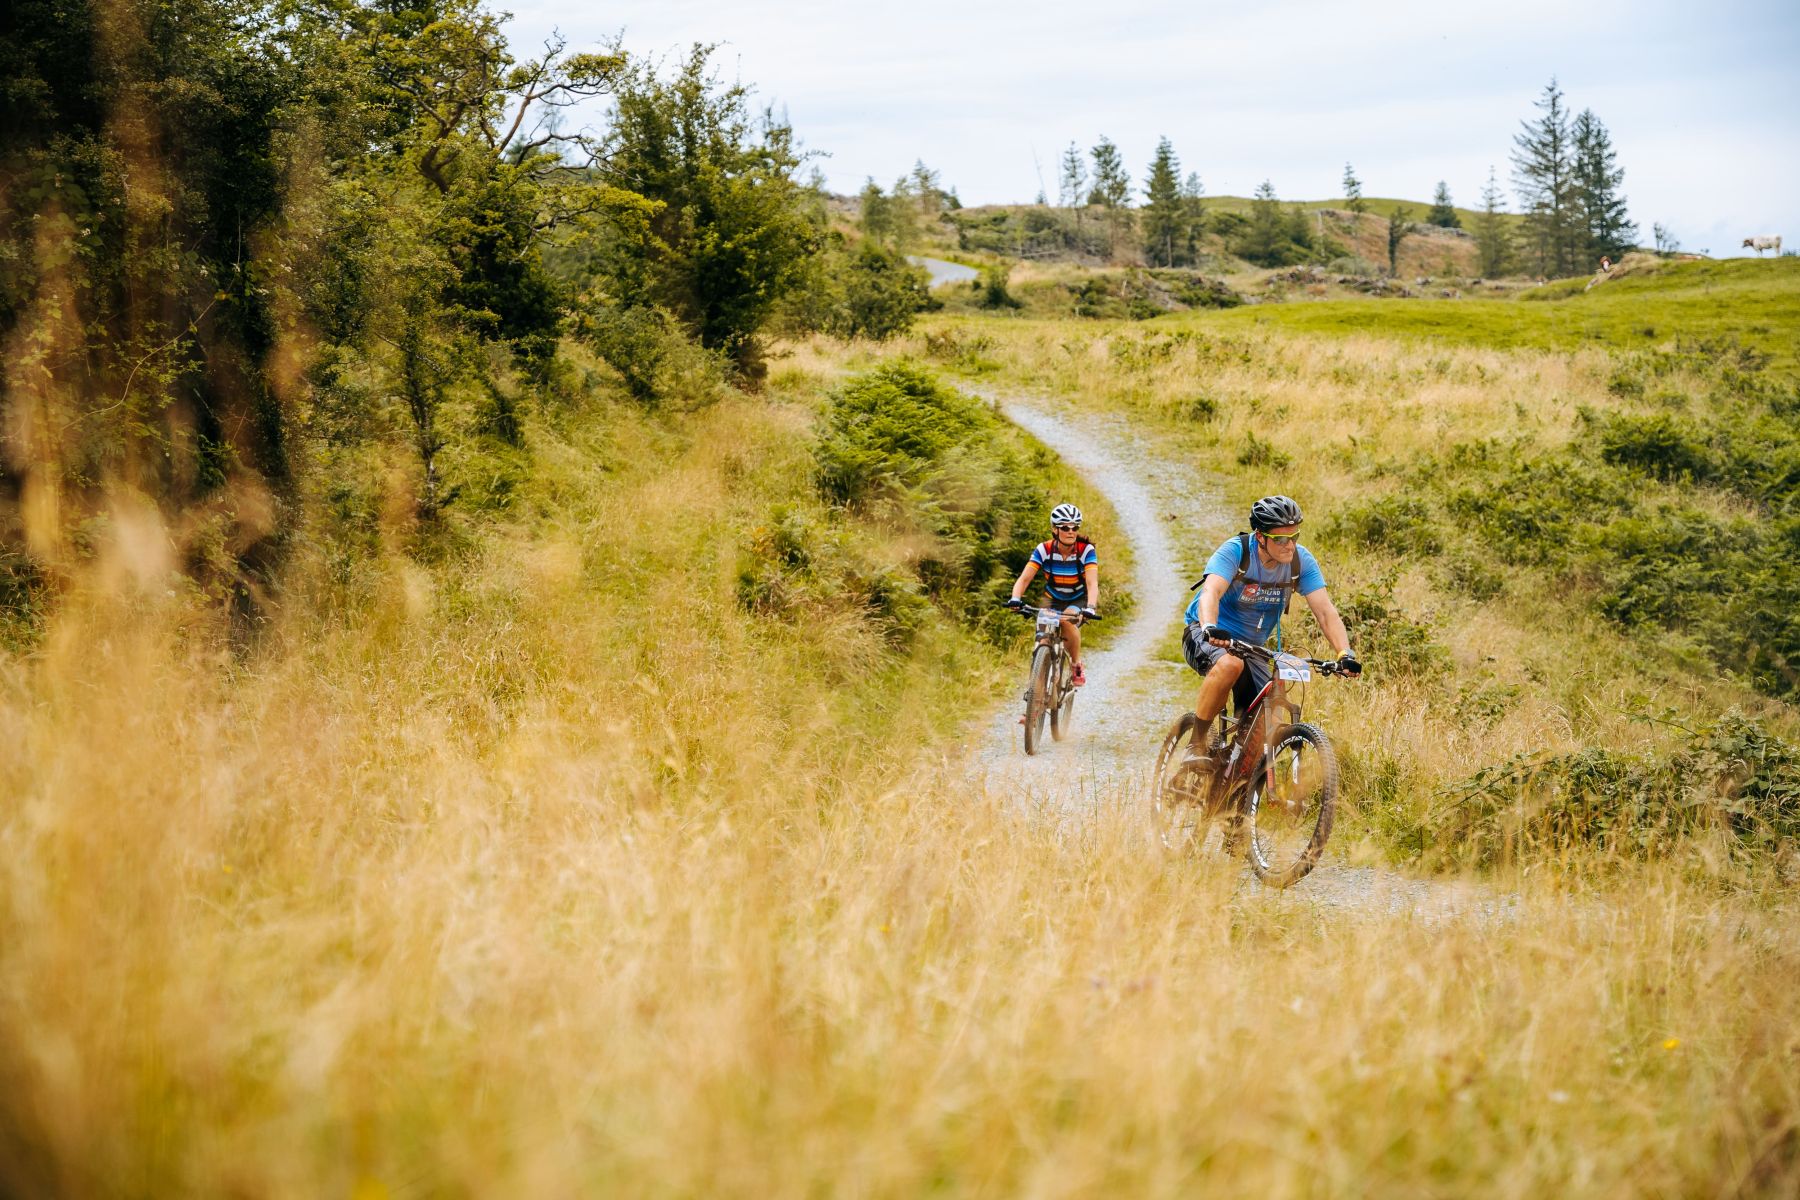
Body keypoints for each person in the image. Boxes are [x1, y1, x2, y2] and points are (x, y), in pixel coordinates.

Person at [1181, 495, 1359, 753]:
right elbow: (1211, 592)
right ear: (1261, 537)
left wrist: (1345, 653)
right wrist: (1210, 626)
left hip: (1251, 647)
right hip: (1205, 632)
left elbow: (1325, 612)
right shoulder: (1236, 551)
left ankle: (1235, 779)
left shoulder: (1301, 562)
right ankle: (1196, 745)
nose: (1290, 545)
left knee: (1266, 726)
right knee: (1230, 663)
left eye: (1294, 537)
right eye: (1281, 539)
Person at [1005, 503, 1099, 686]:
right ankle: (1033, 703)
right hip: (1052, 599)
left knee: (1066, 620)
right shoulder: (1044, 549)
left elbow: (1092, 583)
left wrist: (1091, 607)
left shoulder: (1086, 550)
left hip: (1078, 598)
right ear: (1055, 529)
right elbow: (1024, 579)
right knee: (1041, 645)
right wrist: (1015, 598)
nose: (1071, 531)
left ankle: (1075, 663)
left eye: (1075, 527)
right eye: (1065, 527)